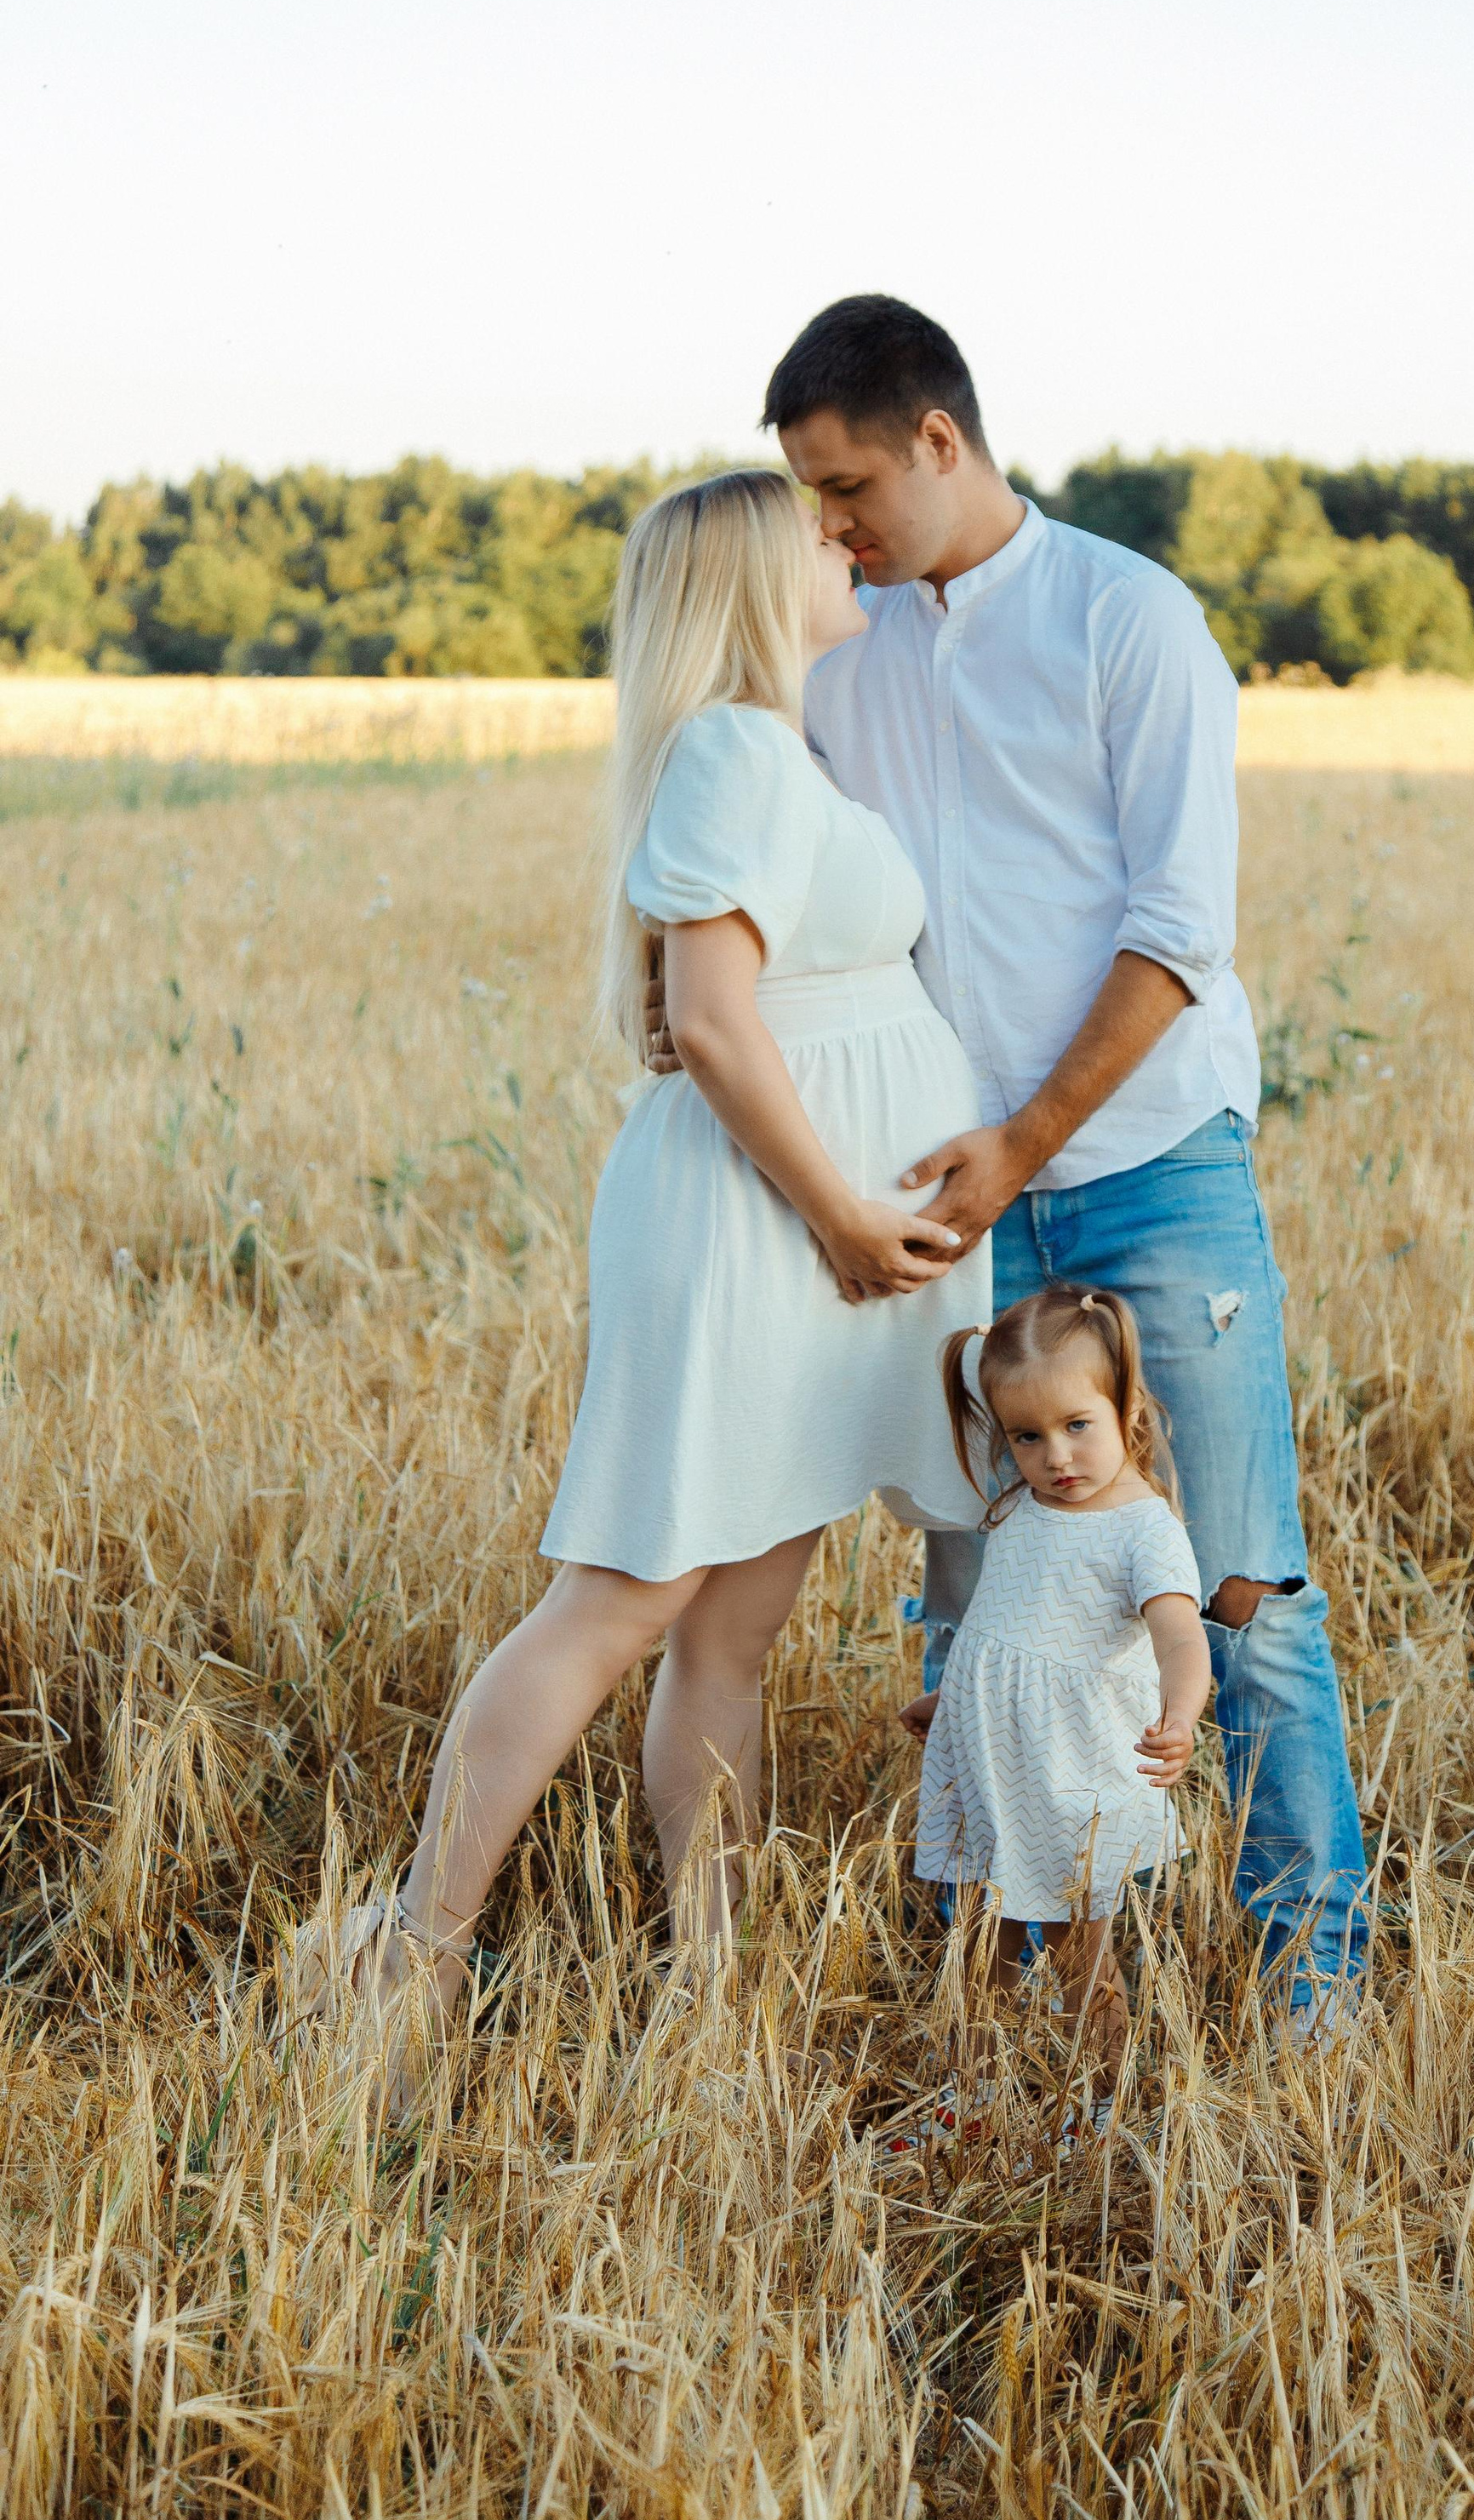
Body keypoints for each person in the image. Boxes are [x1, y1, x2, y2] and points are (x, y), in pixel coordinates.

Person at [671, 291, 1370, 2020]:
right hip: (943, 1201)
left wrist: (1027, 1142)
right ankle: (995, 1952)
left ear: (939, 440)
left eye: (847, 488)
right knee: (974, 1595)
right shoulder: (847, 651)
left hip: (1145, 1161)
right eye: (806, 500)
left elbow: (1174, 932)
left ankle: (1312, 1981)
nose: (826, 529)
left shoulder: (1130, 621)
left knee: (1237, 1582)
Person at [293, 468, 988, 2098]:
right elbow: (723, 1020)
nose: (847, 544)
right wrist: (836, 1213)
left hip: (820, 1236)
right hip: (766, 1229)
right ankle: (413, 1956)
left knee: (735, 1626)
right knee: (623, 1598)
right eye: (819, 533)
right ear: (756, 578)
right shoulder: (741, 750)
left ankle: (712, 1982)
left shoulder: (777, 752)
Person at [910, 1288, 1214, 2088]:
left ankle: (1103, 2102)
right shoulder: (1020, 1508)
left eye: (1078, 1425)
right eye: (1027, 1436)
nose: (1057, 1457)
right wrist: (954, 1703)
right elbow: (1010, 1638)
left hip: (1073, 1774)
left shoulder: (1143, 1527)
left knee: (1082, 1955)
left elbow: (1182, 1637)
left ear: (1126, 1407)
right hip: (992, 1768)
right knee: (980, 1947)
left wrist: (1180, 1714)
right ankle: (969, 2097)